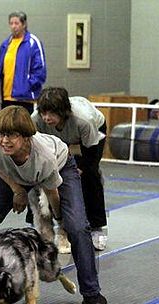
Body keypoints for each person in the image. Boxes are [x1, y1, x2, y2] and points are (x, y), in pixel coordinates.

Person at [0, 105, 107, 304]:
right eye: (2, 134)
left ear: (26, 138)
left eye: (12, 135)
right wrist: (17, 190)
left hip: (61, 166)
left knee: (78, 227)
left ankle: (91, 292)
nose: (5, 140)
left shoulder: (44, 157)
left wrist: (61, 220)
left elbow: (52, 192)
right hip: (13, 176)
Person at [30, 87, 108, 250]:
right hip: (55, 141)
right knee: (37, 179)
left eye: (51, 114)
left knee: (90, 177)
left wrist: (80, 169)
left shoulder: (84, 120)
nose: (46, 118)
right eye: (43, 113)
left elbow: (91, 155)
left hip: (91, 135)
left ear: (63, 111)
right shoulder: (36, 120)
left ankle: (97, 227)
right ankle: (39, 225)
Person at [0, 11, 47, 114]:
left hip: (25, 98)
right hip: (6, 98)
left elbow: (40, 70)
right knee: (7, 128)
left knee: (24, 128)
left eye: (16, 23)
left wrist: (28, 86)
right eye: (11, 23)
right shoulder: (5, 44)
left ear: (24, 24)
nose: (13, 26)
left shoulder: (33, 43)